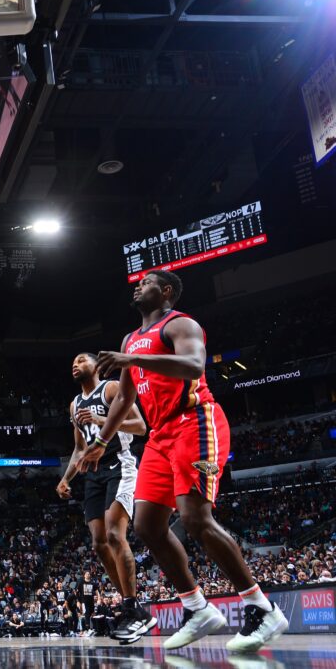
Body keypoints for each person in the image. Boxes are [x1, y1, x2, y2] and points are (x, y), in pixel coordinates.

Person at [78, 269, 289, 653]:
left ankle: (262, 607)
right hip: (159, 436)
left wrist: (133, 357)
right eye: (138, 283)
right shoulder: (129, 339)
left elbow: (193, 365)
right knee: (146, 525)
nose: (138, 285)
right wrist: (101, 441)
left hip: (196, 422)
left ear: (166, 291)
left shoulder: (180, 324)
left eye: (147, 282)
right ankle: (197, 608)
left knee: (194, 518)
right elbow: (124, 398)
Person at [58, 350, 154, 643]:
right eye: (72, 362)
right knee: (99, 544)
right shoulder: (74, 404)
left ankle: (131, 607)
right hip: (93, 473)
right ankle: (133, 607)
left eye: (81, 360)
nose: (75, 365)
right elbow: (79, 448)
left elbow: (140, 427)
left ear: (96, 365)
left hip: (119, 464)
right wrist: (65, 478)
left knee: (114, 534)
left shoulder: (110, 388)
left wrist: (103, 419)